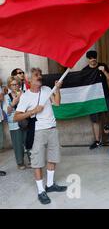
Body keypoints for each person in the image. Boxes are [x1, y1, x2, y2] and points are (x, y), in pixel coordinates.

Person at [14, 67, 66, 205]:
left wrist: (57, 89)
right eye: (37, 75)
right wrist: (33, 111)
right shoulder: (26, 96)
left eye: (40, 74)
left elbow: (57, 103)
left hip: (52, 128)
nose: (40, 77)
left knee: (52, 157)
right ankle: (40, 191)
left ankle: (49, 185)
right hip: (38, 131)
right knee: (37, 162)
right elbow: (16, 117)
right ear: (29, 80)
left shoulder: (47, 89)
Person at [82, 50, 109, 150]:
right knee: (95, 120)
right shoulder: (85, 71)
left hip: (106, 96)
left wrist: (104, 71)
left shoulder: (103, 66)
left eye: (94, 58)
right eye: (91, 58)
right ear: (88, 59)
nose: (93, 60)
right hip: (93, 99)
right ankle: (97, 141)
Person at [3, 76, 30, 169]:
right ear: (9, 86)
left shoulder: (25, 94)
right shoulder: (7, 97)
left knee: (28, 141)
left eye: (17, 84)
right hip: (14, 124)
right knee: (17, 144)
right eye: (13, 84)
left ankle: (32, 160)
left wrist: (22, 98)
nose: (15, 86)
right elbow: (7, 111)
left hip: (25, 121)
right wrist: (13, 103)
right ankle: (20, 163)